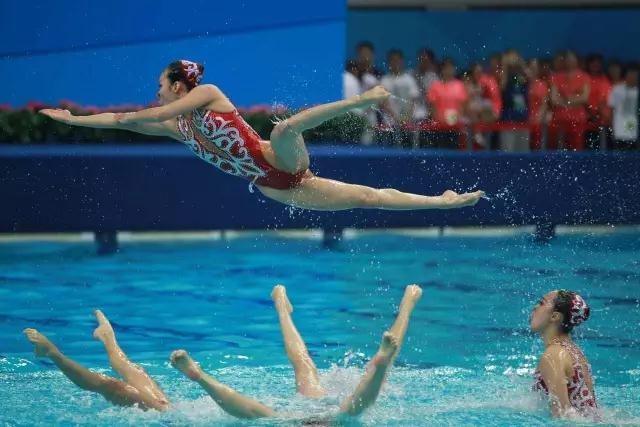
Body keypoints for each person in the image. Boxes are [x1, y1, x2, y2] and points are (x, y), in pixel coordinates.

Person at [39, 60, 484, 211]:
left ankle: (362, 100)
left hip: (283, 160)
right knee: (368, 197)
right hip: (275, 188)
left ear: (178, 85)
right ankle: (443, 201)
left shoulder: (207, 94)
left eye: (160, 85)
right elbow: (123, 122)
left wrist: (143, 115)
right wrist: (74, 120)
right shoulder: (180, 129)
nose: (155, 93)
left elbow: (148, 113)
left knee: (286, 126)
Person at [170, 284, 422, 419]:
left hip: (308, 415)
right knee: (355, 405)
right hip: (328, 416)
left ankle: (200, 377)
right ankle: (384, 354)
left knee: (294, 379)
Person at [24, 310, 170, 411]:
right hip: (170, 413)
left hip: (170, 417)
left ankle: (52, 353)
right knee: (137, 371)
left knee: (115, 387)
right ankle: (108, 336)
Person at [530, 290, 599, 420]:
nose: (535, 307)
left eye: (541, 303)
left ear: (554, 317)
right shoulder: (574, 351)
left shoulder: (553, 355)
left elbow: (563, 416)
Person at [549, 51, 590, 150]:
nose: (569, 62)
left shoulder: (584, 76)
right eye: (567, 60)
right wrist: (574, 101)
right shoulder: (555, 77)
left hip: (577, 119)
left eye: (571, 59)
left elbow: (584, 98)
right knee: (558, 148)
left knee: (577, 148)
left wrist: (565, 100)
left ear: (577, 61)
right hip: (560, 118)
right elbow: (553, 99)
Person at [608, 63, 639, 150]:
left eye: (635, 75)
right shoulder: (617, 89)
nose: (632, 77)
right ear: (626, 76)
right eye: (630, 74)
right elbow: (611, 110)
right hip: (619, 131)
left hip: (634, 132)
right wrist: (612, 128)